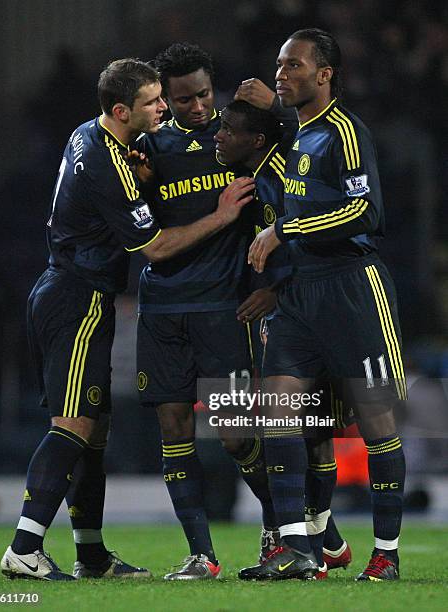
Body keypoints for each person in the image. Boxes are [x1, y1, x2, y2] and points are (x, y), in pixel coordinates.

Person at [0, 58, 254, 581]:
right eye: (153, 102)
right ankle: (25, 547)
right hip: (78, 299)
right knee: (73, 427)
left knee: (93, 434)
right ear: (122, 109)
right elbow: (157, 248)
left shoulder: (88, 134)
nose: (164, 107)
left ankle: (90, 554)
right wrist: (222, 216)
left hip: (63, 290)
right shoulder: (110, 166)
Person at [239, 28, 406, 582]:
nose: (281, 74)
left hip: (352, 288)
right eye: (279, 64)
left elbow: (366, 213)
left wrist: (283, 230)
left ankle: (386, 553)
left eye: (292, 65)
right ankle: (297, 549)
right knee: (276, 411)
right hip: (298, 296)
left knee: (378, 420)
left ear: (324, 74)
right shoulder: (301, 135)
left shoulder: (345, 131)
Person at [134, 42, 276, 580]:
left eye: (203, 94)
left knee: (238, 436)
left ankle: (278, 529)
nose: (197, 107)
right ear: (164, 99)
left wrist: (274, 287)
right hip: (164, 308)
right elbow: (137, 223)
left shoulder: (239, 138)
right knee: (174, 431)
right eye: (184, 99)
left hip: (223, 310)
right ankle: (202, 554)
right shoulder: (149, 151)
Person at [215, 99, 352, 578]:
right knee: (244, 432)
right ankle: (318, 538)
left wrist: (275, 289)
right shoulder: (247, 173)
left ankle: (307, 538)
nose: (218, 134)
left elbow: (309, 234)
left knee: (312, 432)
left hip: (309, 310)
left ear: (255, 139)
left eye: (228, 129)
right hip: (251, 315)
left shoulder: (282, 172)